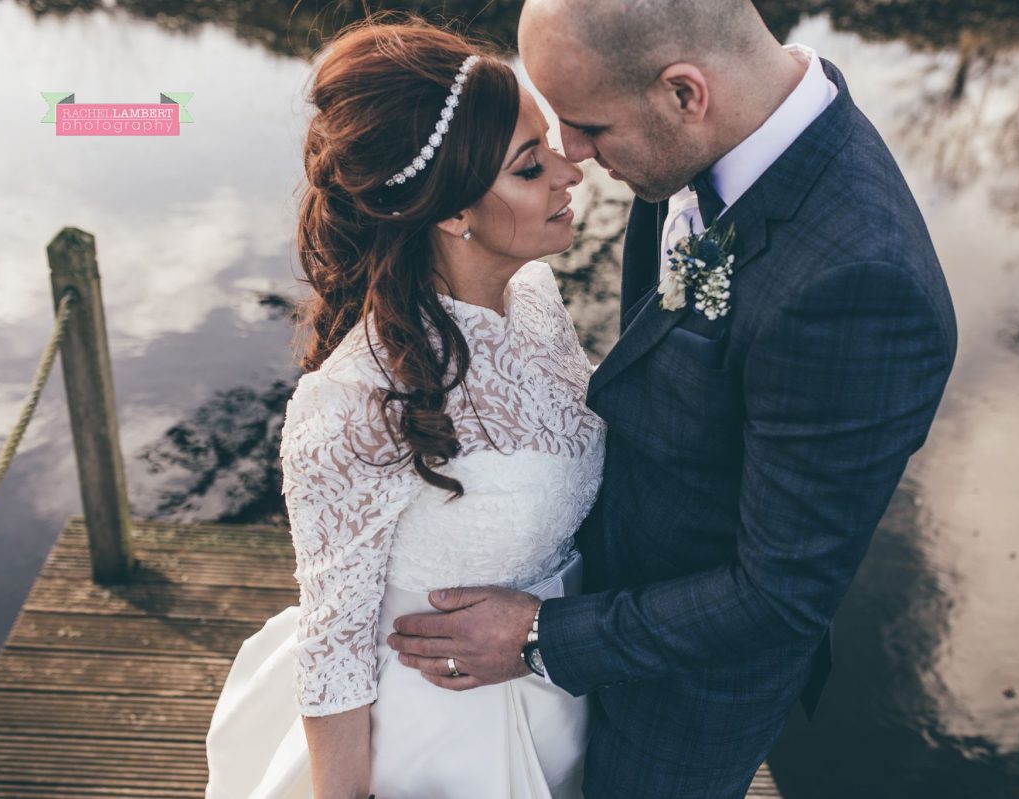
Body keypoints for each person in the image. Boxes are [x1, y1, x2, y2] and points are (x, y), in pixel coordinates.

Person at [387, 0, 959, 797]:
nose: (574, 156)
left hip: (687, 694)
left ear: (685, 93)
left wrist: (540, 633)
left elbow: (781, 595)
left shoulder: (864, 285)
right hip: (596, 593)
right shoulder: (700, 141)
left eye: (587, 126)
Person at [203, 18, 603, 799]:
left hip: (556, 688)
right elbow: (335, 645)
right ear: (453, 213)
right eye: (531, 166)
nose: (570, 172)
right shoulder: (354, 401)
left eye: (549, 145)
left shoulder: (536, 301)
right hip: (435, 739)